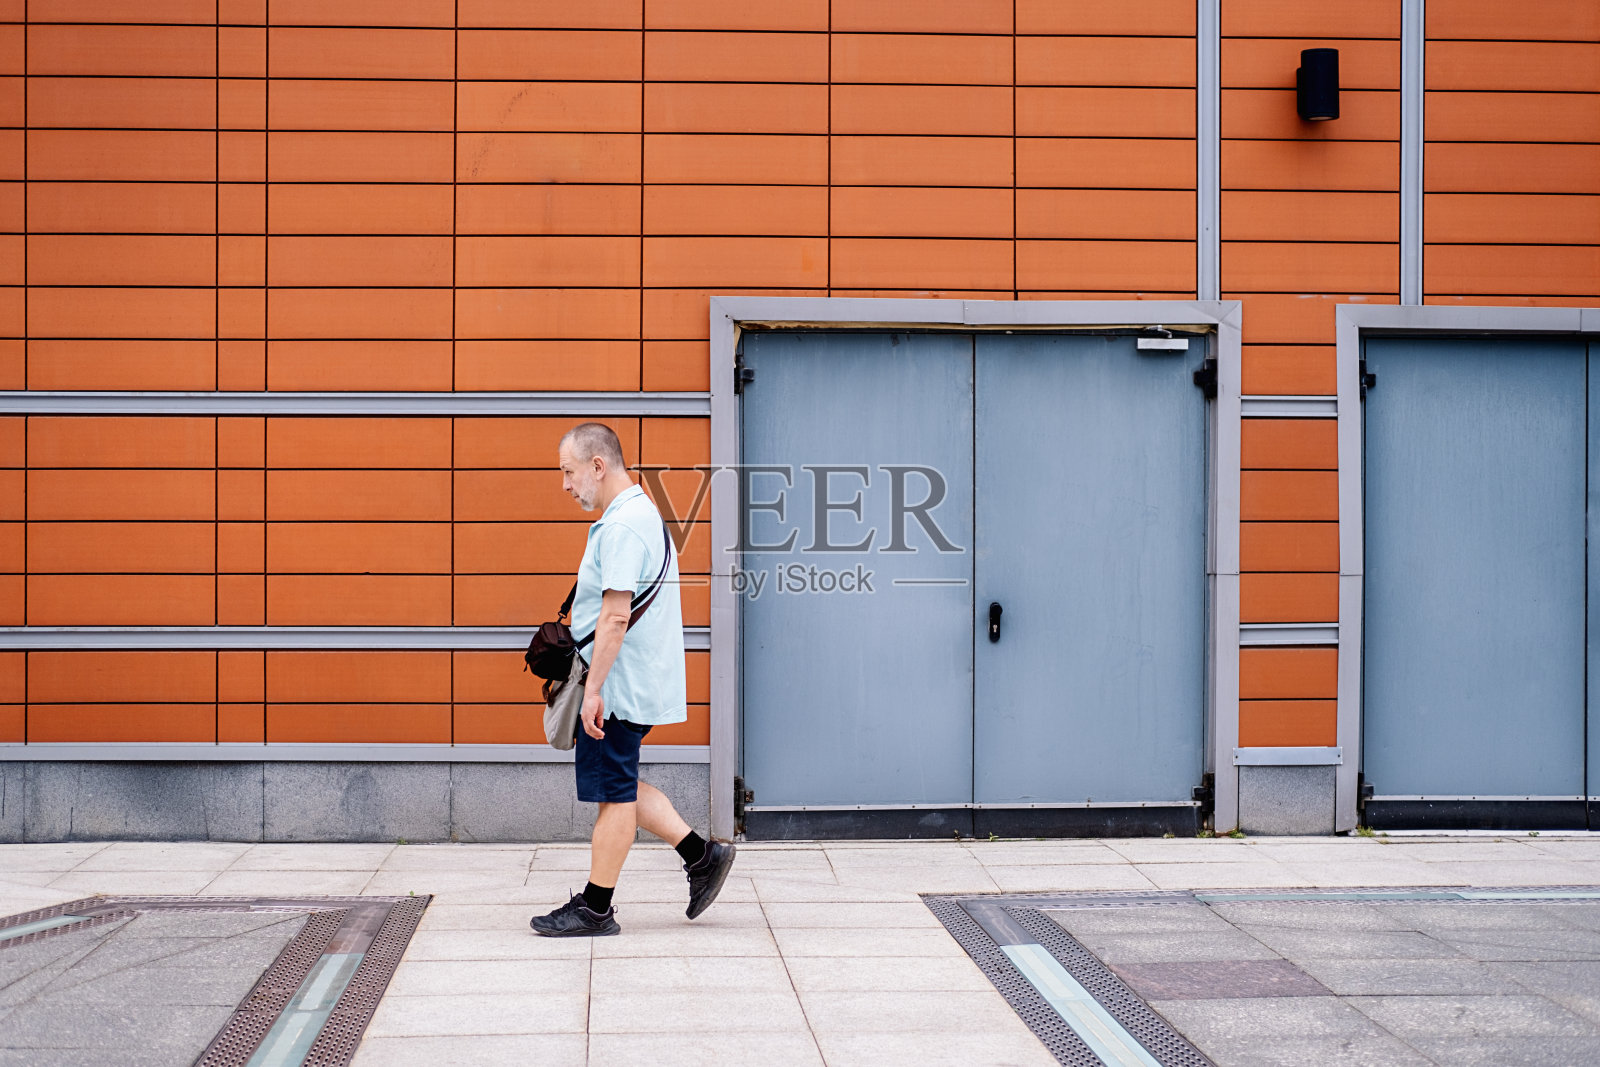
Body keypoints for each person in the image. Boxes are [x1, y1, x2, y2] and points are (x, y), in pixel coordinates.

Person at [530, 422, 736, 937]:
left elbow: (615, 615)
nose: (565, 485)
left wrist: (593, 690)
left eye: (569, 472)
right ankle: (701, 856)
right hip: (636, 681)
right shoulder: (643, 513)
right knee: (617, 784)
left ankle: (596, 908)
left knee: (614, 793)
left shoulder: (622, 527)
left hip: (617, 689)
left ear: (598, 467)